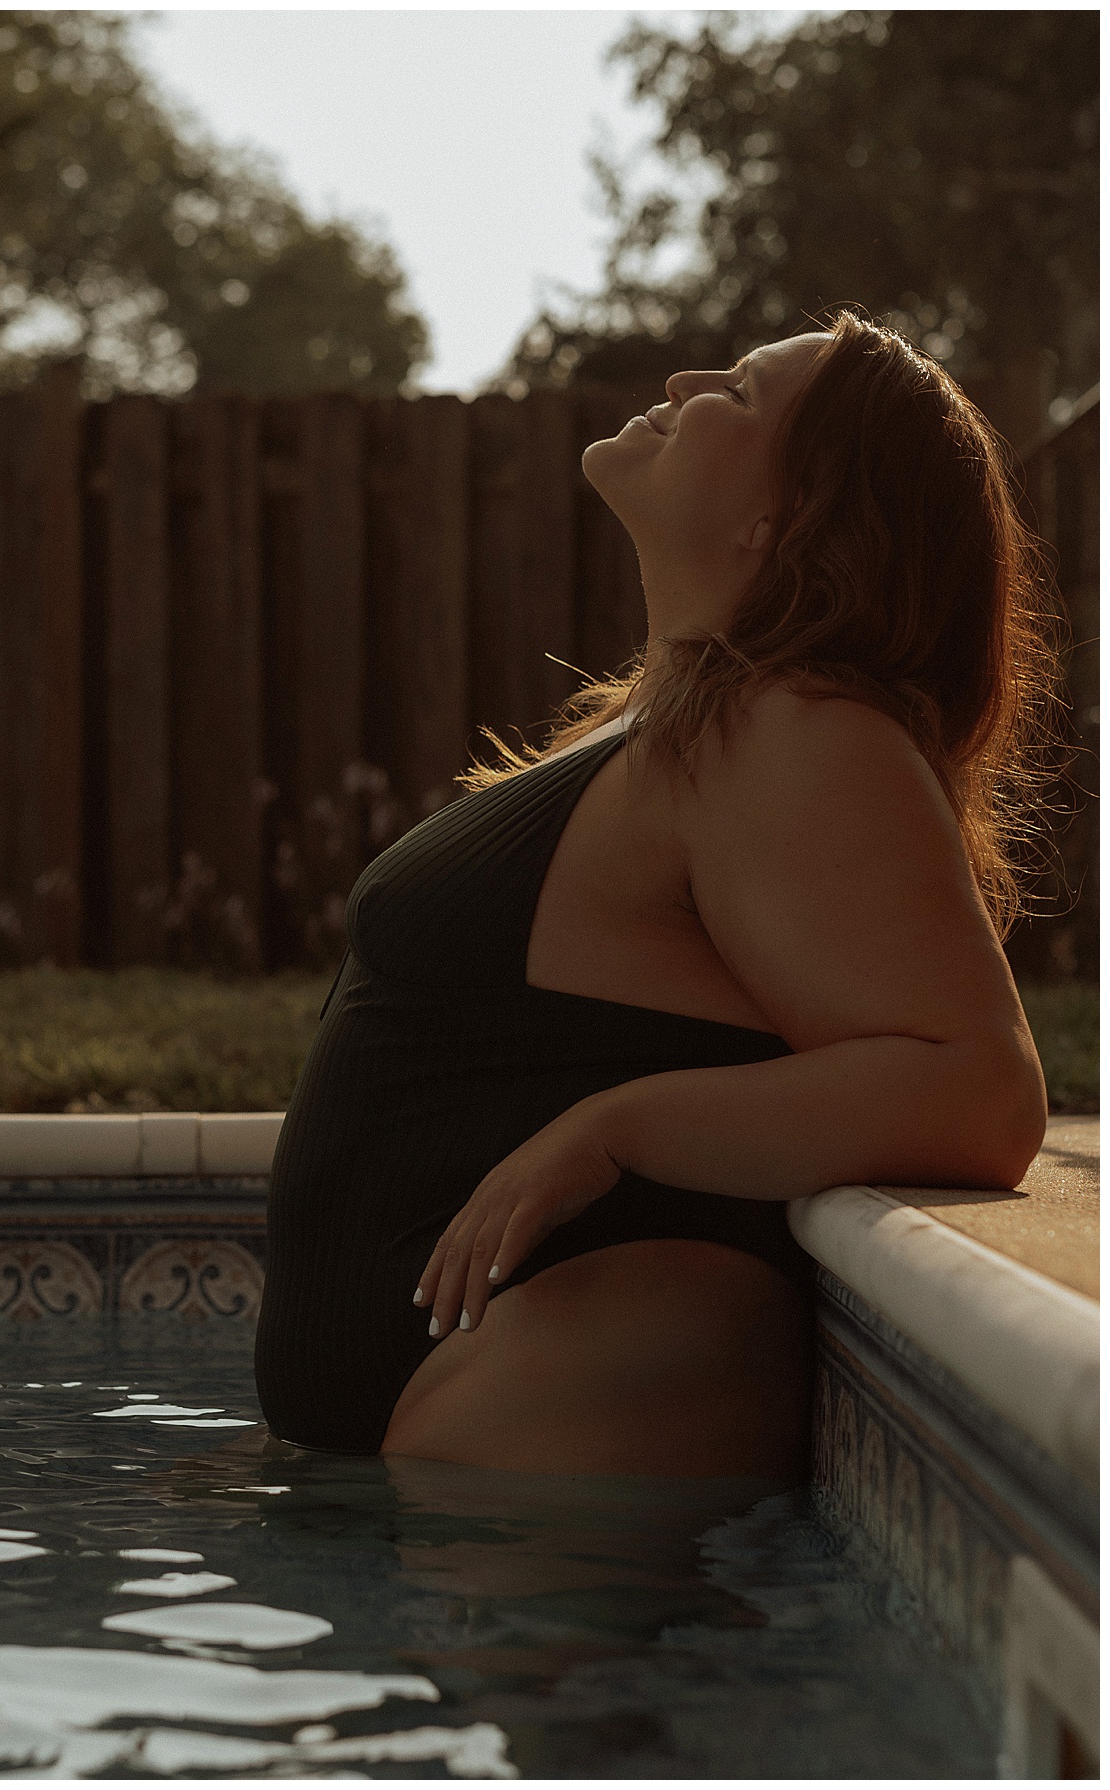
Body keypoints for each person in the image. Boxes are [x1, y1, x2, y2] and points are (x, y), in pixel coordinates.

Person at [255, 310, 1056, 1479]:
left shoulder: (793, 730)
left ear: (783, 515)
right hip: (449, 1421)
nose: (683, 377)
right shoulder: (687, 723)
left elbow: (978, 1090)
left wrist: (613, 1127)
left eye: (735, 389)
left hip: (557, 1385)